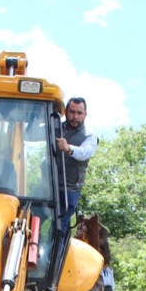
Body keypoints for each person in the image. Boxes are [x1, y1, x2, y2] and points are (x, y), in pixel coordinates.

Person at [54, 97, 98, 234]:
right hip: (48, 186)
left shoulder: (89, 137)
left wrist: (69, 148)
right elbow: (30, 135)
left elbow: (85, 152)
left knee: (59, 227)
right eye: (72, 112)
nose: (75, 117)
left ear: (85, 114)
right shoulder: (54, 128)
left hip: (70, 190)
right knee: (33, 220)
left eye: (79, 113)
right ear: (65, 112)